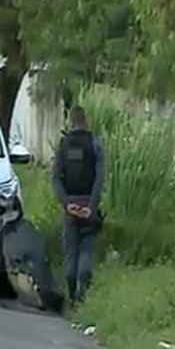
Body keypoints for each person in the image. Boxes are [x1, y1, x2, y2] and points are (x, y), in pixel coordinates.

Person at [51, 105, 105, 304]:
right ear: (85, 120)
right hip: (88, 205)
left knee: (71, 251)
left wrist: (66, 204)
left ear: (70, 121)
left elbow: (55, 179)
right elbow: (100, 178)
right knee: (86, 249)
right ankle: (83, 288)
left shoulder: (63, 145)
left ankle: (72, 291)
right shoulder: (94, 143)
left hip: (70, 205)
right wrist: (91, 205)